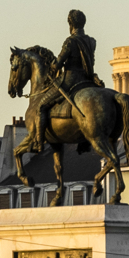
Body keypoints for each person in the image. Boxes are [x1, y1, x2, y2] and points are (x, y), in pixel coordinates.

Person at [32, 9, 101, 152]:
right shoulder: (92, 41)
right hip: (87, 80)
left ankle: (38, 142)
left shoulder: (70, 41)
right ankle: (85, 142)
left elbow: (58, 63)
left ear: (71, 24)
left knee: (41, 106)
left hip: (70, 79)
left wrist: (52, 65)